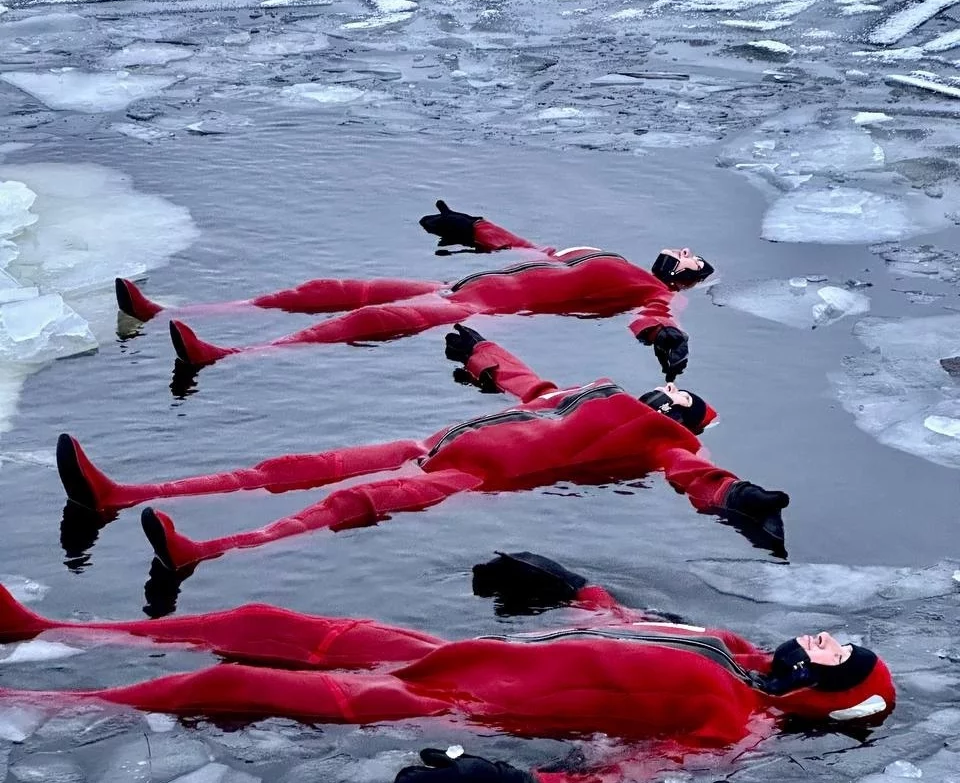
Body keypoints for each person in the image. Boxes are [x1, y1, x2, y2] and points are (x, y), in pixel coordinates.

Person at [0, 552, 895, 783]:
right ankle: (48, 628)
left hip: (443, 699)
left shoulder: (735, 725)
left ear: (825, 691)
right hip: (437, 648)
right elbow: (628, 626)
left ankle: (37, 700)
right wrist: (573, 589)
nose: (825, 636)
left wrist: (518, 781)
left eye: (837, 652)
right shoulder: (733, 647)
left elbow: (631, 776)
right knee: (264, 624)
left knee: (215, 687)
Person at [55, 326, 789, 573]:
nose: (672, 401)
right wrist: (479, 353)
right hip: (431, 444)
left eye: (687, 407)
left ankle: (203, 553)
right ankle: (120, 494)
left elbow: (697, 475)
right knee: (294, 466)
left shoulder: (661, 440)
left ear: (689, 421)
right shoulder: (593, 391)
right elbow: (528, 385)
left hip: (469, 473)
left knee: (351, 501)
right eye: (676, 394)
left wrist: (739, 498)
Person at [120, 201, 710, 381]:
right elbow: (529, 249)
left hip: (478, 303)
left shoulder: (651, 289)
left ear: (687, 273)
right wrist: (475, 227)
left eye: (693, 259)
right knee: (331, 289)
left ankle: (223, 354)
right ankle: (176, 309)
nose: (682, 252)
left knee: (366, 319)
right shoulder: (600, 249)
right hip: (458, 281)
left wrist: (665, 339)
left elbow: (655, 315)